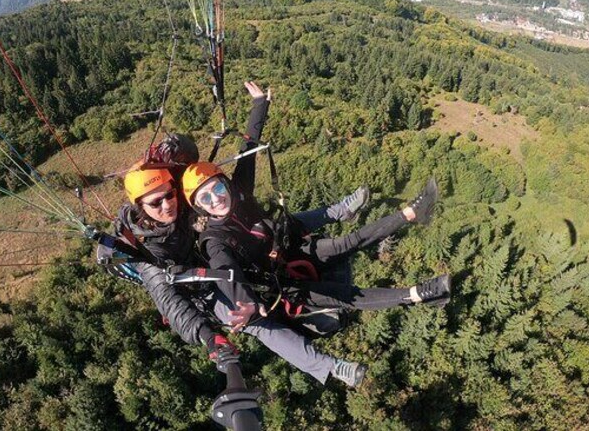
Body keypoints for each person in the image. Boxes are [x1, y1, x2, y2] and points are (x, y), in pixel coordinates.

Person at [182, 82, 450, 387]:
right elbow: (225, 270)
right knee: (347, 297)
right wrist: (244, 302)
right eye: (205, 199)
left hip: (290, 248)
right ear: (199, 208)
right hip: (282, 283)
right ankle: (419, 295)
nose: (216, 199)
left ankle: (412, 213)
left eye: (217, 188)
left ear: (225, 184)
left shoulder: (239, 190)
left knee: (346, 244)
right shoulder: (215, 239)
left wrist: (259, 105)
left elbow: (248, 151)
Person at [99, 82, 371, 381]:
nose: (167, 204)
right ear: (140, 206)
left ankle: (338, 211)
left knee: (274, 226)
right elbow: (170, 300)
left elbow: (245, 162)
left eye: (170, 194)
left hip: (219, 248)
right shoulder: (144, 251)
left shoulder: (178, 197)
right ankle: (330, 366)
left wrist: (259, 107)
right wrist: (209, 338)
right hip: (202, 284)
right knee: (248, 316)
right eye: (156, 202)